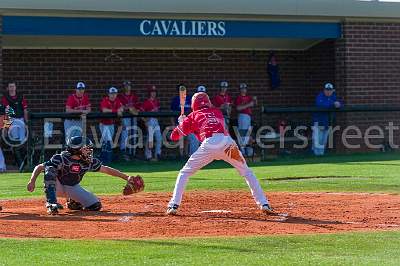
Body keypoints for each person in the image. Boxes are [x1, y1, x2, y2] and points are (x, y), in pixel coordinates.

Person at [166, 92, 273, 215]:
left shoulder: (193, 115)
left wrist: (182, 124)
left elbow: (174, 136)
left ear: (194, 104)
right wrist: (186, 123)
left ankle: (174, 204)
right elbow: (201, 131)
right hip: (227, 143)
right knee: (247, 172)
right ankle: (263, 203)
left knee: (184, 173)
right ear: (208, 102)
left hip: (209, 145)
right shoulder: (217, 112)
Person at [26, 136, 144, 215]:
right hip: (57, 186)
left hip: (72, 187)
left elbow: (106, 170)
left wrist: (127, 177)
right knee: (50, 169)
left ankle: (73, 201)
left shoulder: (88, 161)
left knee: (95, 206)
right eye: (86, 149)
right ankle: (51, 203)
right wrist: (32, 181)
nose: (89, 151)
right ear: (77, 150)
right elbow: (40, 167)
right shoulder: (61, 158)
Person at [1, 81, 29, 168]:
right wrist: (6, 126)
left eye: (13, 86)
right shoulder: (5, 98)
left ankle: (24, 162)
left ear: (15, 87)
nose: (12, 88)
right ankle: (18, 162)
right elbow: (7, 113)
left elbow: (25, 110)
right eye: (10, 86)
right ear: (8, 88)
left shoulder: (21, 97)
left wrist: (26, 122)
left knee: (22, 141)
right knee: (15, 141)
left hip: (20, 120)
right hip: (12, 120)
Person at [312, 82, 343, 156]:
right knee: (317, 140)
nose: (328, 91)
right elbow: (321, 105)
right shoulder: (320, 96)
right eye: (327, 90)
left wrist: (339, 104)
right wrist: (333, 104)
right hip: (318, 122)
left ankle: (321, 155)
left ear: (333, 90)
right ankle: (315, 155)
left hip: (327, 122)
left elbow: (339, 104)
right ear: (324, 90)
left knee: (323, 141)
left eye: (330, 90)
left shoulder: (333, 97)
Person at [170, 84, 195, 159]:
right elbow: (172, 113)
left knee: (187, 138)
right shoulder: (175, 99)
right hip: (179, 121)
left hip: (188, 121)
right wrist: (173, 124)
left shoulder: (189, 98)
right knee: (181, 138)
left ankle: (186, 153)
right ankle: (181, 155)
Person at [117, 81, 141, 161]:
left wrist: (132, 109)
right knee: (125, 135)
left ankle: (132, 153)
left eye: (129, 85)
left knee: (134, 135)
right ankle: (123, 153)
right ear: (124, 87)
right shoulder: (120, 97)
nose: (127, 87)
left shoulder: (134, 96)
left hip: (133, 117)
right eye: (126, 86)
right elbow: (120, 109)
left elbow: (137, 110)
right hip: (125, 118)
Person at [99, 87, 123, 162]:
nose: (113, 95)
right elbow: (104, 110)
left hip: (111, 124)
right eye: (111, 94)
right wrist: (116, 111)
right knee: (108, 141)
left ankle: (103, 158)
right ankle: (107, 160)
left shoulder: (117, 100)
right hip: (104, 124)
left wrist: (120, 110)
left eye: (114, 94)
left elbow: (121, 108)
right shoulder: (105, 100)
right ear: (109, 94)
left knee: (107, 141)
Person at [235, 83, 257, 157]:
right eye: (242, 89)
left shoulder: (248, 97)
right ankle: (242, 151)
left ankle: (246, 151)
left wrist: (254, 99)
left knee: (247, 134)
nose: (243, 90)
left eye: (244, 88)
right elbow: (238, 108)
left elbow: (254, 103)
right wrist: (249, 104)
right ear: (240, 90)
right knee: (243, 134)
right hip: (242, 116)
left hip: (248, 116)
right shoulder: (238, 98)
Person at [142, 85, 162, 161]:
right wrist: (145, 122)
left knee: (159, 138)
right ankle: (148, 156)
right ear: (149, 93)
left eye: (154, 92)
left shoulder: (157, 101)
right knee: (150, 139)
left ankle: (158, 154)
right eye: (152, 92)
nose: (153, 93)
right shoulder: (146, 102)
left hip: (156, 121)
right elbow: (141, 114)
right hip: (149, 120)